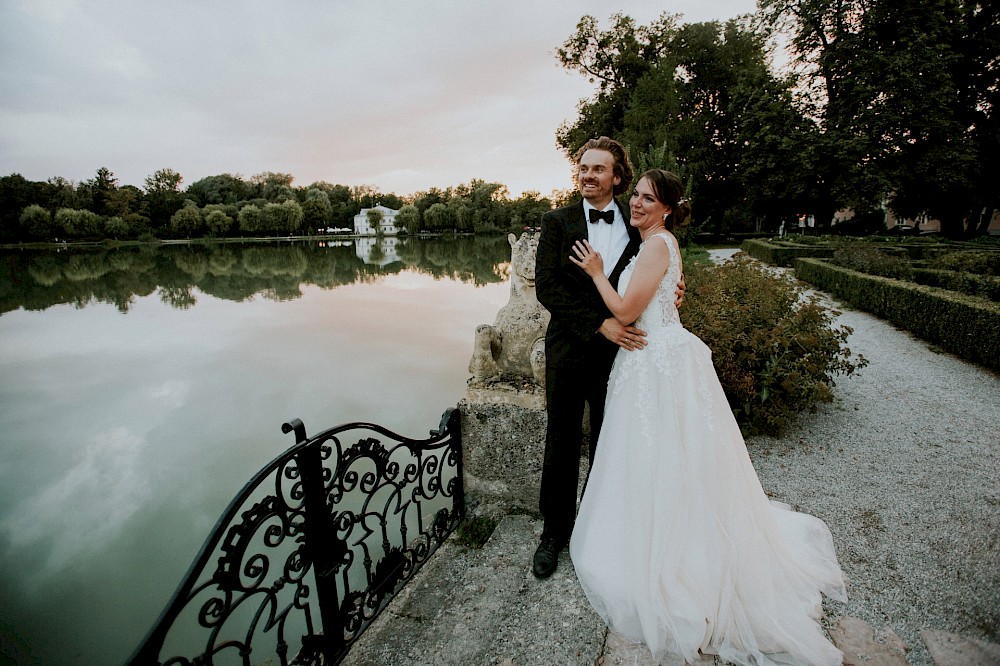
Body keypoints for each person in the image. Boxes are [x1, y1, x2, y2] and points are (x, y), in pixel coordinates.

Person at [568, 169, 847, 666]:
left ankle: (671, 553)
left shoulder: (656, 246)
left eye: (647, 199)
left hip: (655, 363)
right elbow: (660, 298)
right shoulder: (660, 245)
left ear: (668, 207)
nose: (636, 204)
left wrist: (594, 272)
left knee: (661, 453)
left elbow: (628, 312)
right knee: (675, 455)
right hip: (662, 358)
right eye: (635, 195)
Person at [532, 137, 683, 579]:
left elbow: (655, 273)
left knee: (609, 437)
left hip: (620, 355)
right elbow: (548, 288)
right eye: (583, 167)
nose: (588, 175)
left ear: (618, 178)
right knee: (561, 439)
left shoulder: (639, 225)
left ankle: (600, 528)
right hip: (568, 347)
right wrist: (600, 324)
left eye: (599, 169)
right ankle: (554, 533)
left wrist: (676, 288)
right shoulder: (556, 222)